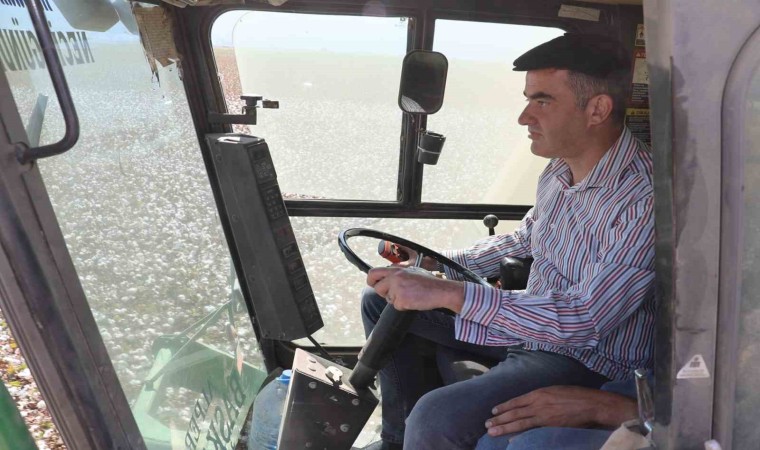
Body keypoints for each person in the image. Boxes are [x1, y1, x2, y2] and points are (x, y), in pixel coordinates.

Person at [360, 33, 655, 450]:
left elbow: (586, 317)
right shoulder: (559, 171)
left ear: (597, 109)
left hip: (584, 358)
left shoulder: (643, 198)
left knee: (434, 418)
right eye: (528, 100)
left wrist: (450, 293)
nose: (523, 117)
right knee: (380, 302)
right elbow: (527, 238)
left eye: (542, 101)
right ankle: (396, 439)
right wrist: (435, 263)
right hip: (531, 332)